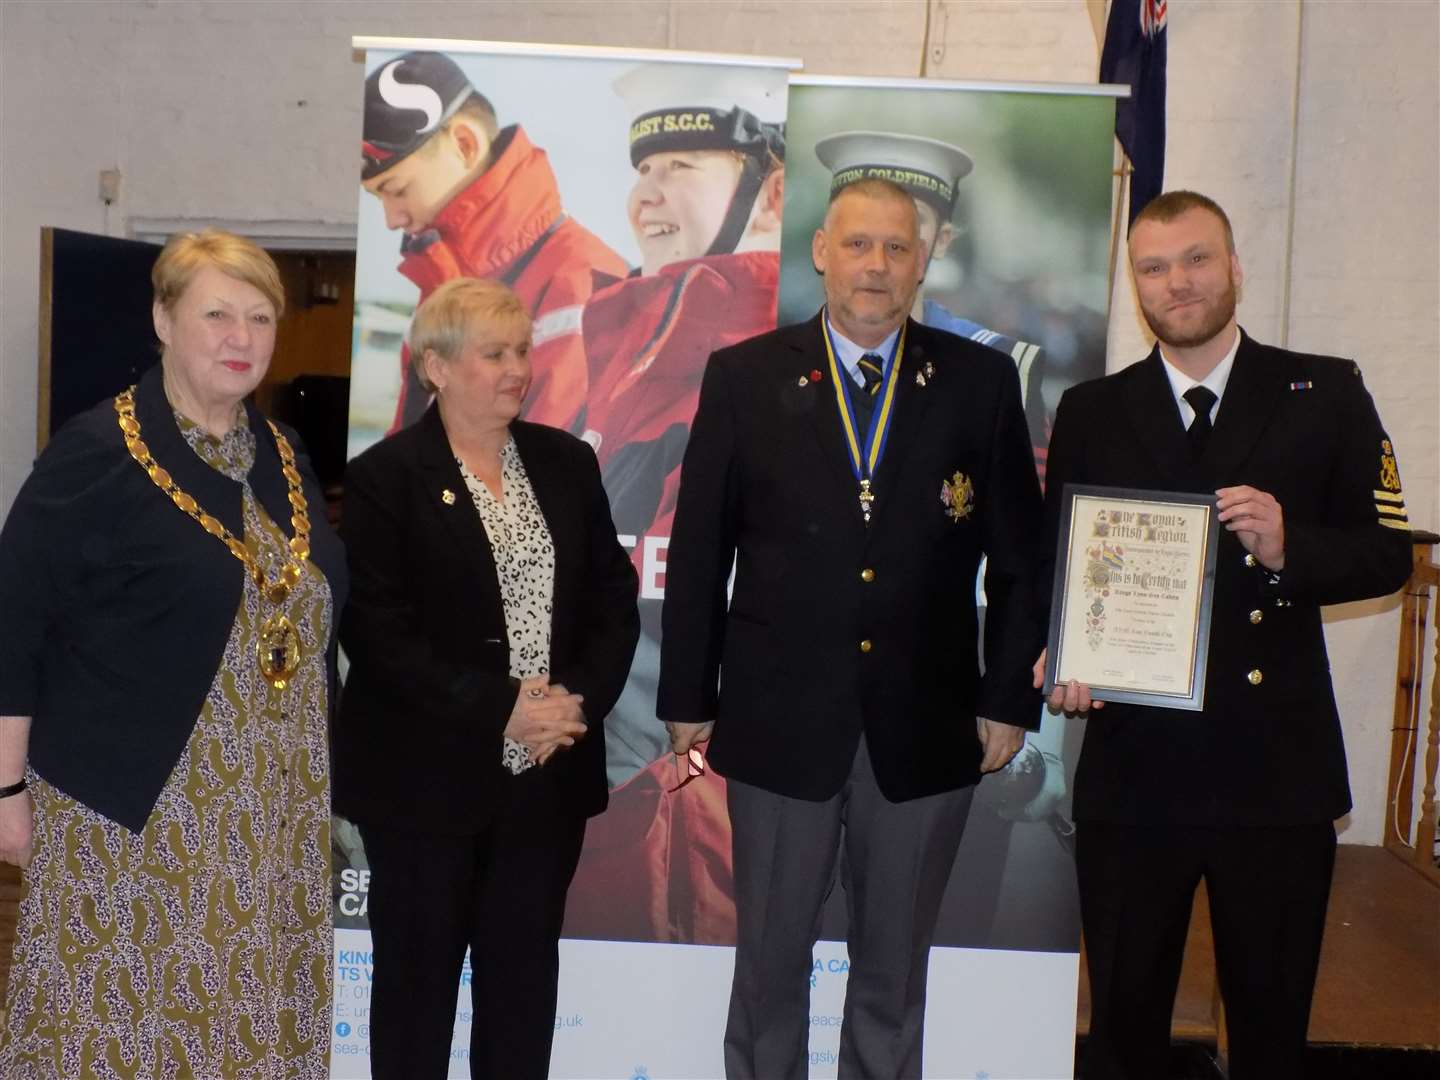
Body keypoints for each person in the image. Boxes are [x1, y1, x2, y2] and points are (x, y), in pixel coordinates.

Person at [659, 178, 1045, 1078]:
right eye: (859, 245)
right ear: (822, 251)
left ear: (923, 262)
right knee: (768, 970)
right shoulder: (745, 375)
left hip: (928, 728)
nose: (877, 266)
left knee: (892, 974)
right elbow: (701, 547)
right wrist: (687, 698)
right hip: (777, 725)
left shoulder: (979, 384)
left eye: (897, 249)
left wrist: (1005, 699)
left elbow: (1023, 561)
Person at [1038, 190, 1413, 1080]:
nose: (1179, 283)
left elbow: (1387, 554)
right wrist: (1060, 651)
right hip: (1136, 772)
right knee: (1123, 1029)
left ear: (1236, 267)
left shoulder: (1324, 390)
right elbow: (1059, 565)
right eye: (1155, 268)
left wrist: (1292, 548)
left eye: (1198, 260)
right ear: (1136, 286)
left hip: (1274, 771)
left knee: (1271, 1028)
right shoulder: (1092, 408)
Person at [0, 229, 348, 1077]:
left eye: (261, 317)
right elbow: (14, 623)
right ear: (163, 318)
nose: (242, 337)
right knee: (127, 1029)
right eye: (217, 313)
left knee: (249, 1016)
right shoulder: (95, 455)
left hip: (274, 807)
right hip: (140, 810)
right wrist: (4, 789)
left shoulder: (285, 454)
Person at [335, 277, 640, 1078]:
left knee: (522, 993)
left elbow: (613, 603)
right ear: (433, 367)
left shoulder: (567, 463)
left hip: (545, 781)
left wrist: (569, 708)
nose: (517, 369)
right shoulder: (383, 478)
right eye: (494, 354)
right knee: (415, 995)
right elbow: (378, 634)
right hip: (423, 787)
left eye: (522, 351)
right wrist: (503, 711)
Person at [562, 64, 786, 945]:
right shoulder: (628, 343)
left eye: (682, 167)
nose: (647, 197)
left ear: (770, 195)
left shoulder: (758, 365)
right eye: (643, 171)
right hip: (621, 803)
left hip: (689, 813)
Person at [361, 50, 628, 433]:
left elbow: (546, 475)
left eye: (398, 189)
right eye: (378, 198)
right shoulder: (439, 288)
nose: (392, 219)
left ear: (466, 144)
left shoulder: (584, 281)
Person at [814, 130, 1048, 451]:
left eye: (913, 218)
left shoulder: (1000, 368)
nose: (888, 236)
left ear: (940, 241)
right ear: (826, 243)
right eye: (863, 227)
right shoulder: (771, 369)